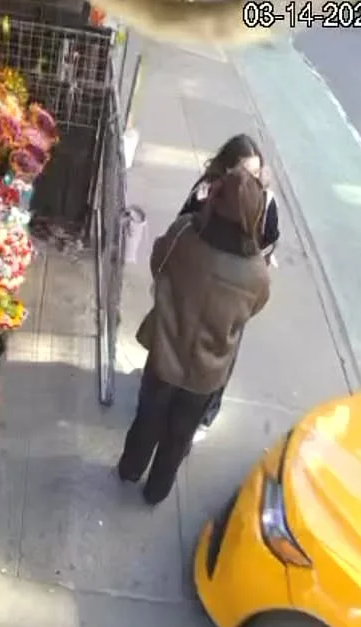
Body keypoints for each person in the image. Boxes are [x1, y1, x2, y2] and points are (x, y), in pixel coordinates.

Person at [118, 167, 271, 505]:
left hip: (165, 352)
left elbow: (158, 264)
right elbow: (253, 310)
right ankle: (156, 492)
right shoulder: (257, 272)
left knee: (148, 417)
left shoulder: (184, 235)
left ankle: (130, 469)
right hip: (209, 369)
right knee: (180, 435)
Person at [181, 134, 279, 441]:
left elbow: (270, 241)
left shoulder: (265, 203)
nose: (248, 180)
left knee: (222, 354)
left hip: (233, 295)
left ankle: (205, 415)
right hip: (199, 285)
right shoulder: (206, 192)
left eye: (254, 172)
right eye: (242, 172)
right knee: (183, 341)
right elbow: (182, 225)